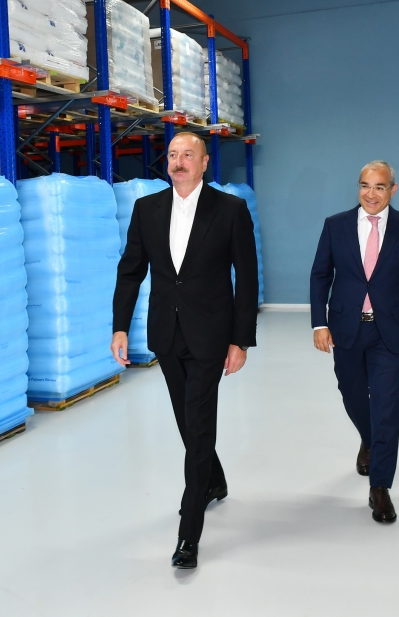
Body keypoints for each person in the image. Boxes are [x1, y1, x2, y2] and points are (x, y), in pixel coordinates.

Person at [111, 132, 259, 569]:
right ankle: (214, 481)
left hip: (211, 335)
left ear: (204, 162)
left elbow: (246, 277)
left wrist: (240, 339)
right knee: (187, 421)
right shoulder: (147, 209)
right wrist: (120, 327)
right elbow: (130, 271)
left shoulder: (229, 209)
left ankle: (188, 535)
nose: (178, 161)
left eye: (188, 155)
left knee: (197, 427)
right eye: (173, 155)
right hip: (166, 334)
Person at [309, 161, 399, 524]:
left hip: (390, 331)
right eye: (365, 185)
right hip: (346, 327)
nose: (371, 194)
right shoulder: (336, 225)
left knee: (386, 406)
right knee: (351, 394)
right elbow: (320, 276)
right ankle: (370, 437)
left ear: (393, 189)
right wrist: (319, 323)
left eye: (379, 187)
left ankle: (380, 486)